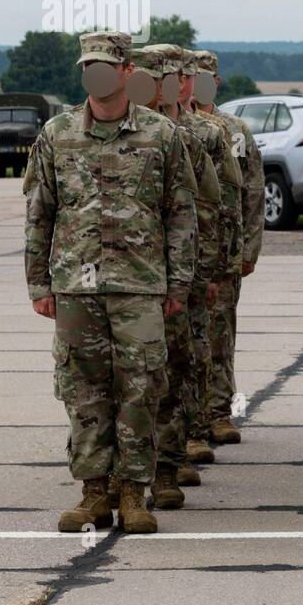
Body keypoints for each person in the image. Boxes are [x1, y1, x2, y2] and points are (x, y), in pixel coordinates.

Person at [23, 31, 196, 534]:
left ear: (125, 73)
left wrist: (178, 285)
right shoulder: (56, 135)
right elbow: (40, 213)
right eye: (87, 67)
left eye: (104, 66)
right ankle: (93, 491)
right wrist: (39, 284)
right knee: (83, 390)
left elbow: (181, 214)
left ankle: (132, 492)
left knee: (141, 388)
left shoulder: (161, 135)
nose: (94, 74)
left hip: (140, 285)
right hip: (76, 285)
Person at [127, 45, 224, 509]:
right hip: (121, 282)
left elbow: (208, 203)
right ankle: (120, 476)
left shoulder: (183, 135)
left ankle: (168, 462)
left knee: (175, 368)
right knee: (126, 381)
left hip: (173, 274)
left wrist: (202, 269)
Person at [192, 50, 264, 447]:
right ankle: (189, 418)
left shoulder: (235, 130)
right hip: (188, 251)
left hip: (225, 250)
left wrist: (248, 250)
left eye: (207, 78)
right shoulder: (174, 126)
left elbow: (253, 193)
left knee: (220, 335)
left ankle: (219, 411)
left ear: (216, 83)